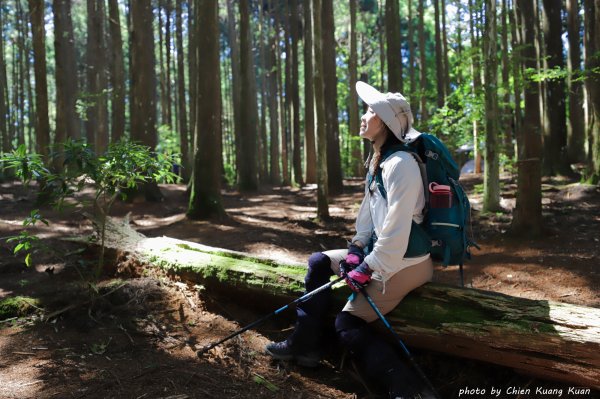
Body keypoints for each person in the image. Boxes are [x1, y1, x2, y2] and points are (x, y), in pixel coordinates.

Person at [265, 81, 434, 399]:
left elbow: (396, 237)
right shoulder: (379, 161)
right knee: (318, 262)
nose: (363, 116)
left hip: (407, 262)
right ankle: (305, 345)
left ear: (383, 121)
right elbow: (369, 219)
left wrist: (366, 269)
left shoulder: (402, 166)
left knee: (347, 324)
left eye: (370, 111)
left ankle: (407, 388)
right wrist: (356, 250)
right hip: (382, 254)